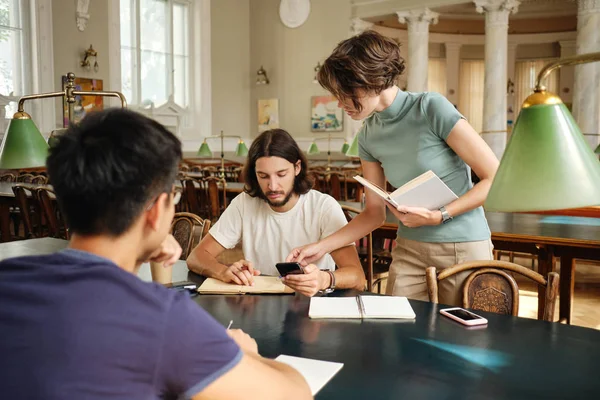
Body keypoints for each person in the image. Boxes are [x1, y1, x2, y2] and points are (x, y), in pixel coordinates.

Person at [0, 109, 312, 400]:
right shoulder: (163, 322)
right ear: (157, 210)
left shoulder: (9, 281)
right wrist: (247, 354)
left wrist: (141, 247)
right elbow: (295, 393)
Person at [287, 30, 499, 306]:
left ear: (370, 80)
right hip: (409, 250)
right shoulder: (367, 136)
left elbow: (494, 178)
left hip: (463, 246)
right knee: (398, 339)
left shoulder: (430, 108)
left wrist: (440, 216)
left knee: (462, 341)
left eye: (344, 94)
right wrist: (320, 247)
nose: (339, 104)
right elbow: (374, 214)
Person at [187, 128, 366, 297]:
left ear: (297, 168)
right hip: (259, 305)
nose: (272, 186)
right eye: (263, 176)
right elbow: (196, 257)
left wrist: (324, 279)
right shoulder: (244, 203)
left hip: (310, 306)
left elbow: (358, 277)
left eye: (281, 174)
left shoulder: (323, 207)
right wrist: (223, 271)